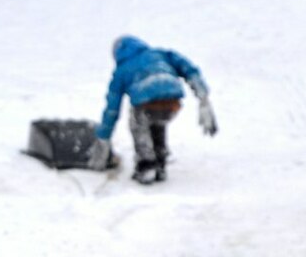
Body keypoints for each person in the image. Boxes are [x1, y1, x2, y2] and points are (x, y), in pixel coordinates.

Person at [87, 35, 218, 184]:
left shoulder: (122, 70)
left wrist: (104, 137)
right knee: (158, 122)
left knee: (138, 124)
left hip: (146, 105)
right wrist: (203, 99)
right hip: (172, 103)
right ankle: (160, 163)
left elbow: (112, 109)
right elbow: (190, 70)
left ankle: (147, 164)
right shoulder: (161, 54)